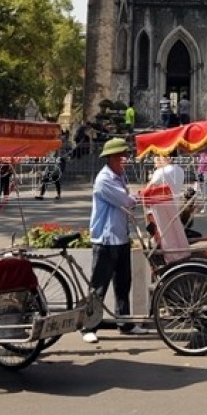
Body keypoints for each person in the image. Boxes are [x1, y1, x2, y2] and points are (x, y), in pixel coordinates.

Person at [82, 137, 149, 342]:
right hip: (106, 238)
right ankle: (89, 327)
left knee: (123, 284)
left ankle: (125, 323)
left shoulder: (119, 176)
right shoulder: (105, 180)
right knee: (99, 285)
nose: (125, 159)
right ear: (111, 158)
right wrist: (140, 196)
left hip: (120, 236)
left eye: (125, 155)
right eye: (121, 156)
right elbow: (126, 200)